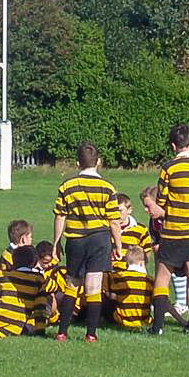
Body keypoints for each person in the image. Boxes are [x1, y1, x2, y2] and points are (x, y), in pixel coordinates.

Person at [51, 140, 124, 342]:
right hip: (99, 240)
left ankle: (62, 332)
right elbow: (114, 221)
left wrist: (56, 243)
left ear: (77, 163)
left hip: (76, 240)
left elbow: (60, 216)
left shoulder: (67, 186)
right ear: (98, 161)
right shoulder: (107, 187)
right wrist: (118, 245)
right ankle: (91, 334)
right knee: (94, 286)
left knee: (72, 284)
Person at [149, 123, 189, 335]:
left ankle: (157, 327)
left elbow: (162, 199)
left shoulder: (169, 168)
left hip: (173, 231)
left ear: (173, 146)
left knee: (162, 276)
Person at [0, 245, 51, 337]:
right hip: (17, 328)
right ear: (34, 263)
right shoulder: (38, 280)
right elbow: (40, 307)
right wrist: (40, 331)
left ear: (13, 262)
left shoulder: (3, 275)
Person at [104, 245, 153, 330]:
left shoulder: (118, 277)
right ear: (142, 263)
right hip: (143, 320)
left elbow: (107, 292)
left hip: (121, 320)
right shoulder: (150, 280)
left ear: (126, 263)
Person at [114, 193, 153, 267]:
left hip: (132, 273)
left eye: (120, 211)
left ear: (129, 210)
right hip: (110, 274)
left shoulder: (140, 230)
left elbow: (147, 252)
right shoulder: (105, 229)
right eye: (113, 211)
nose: (117, 215)